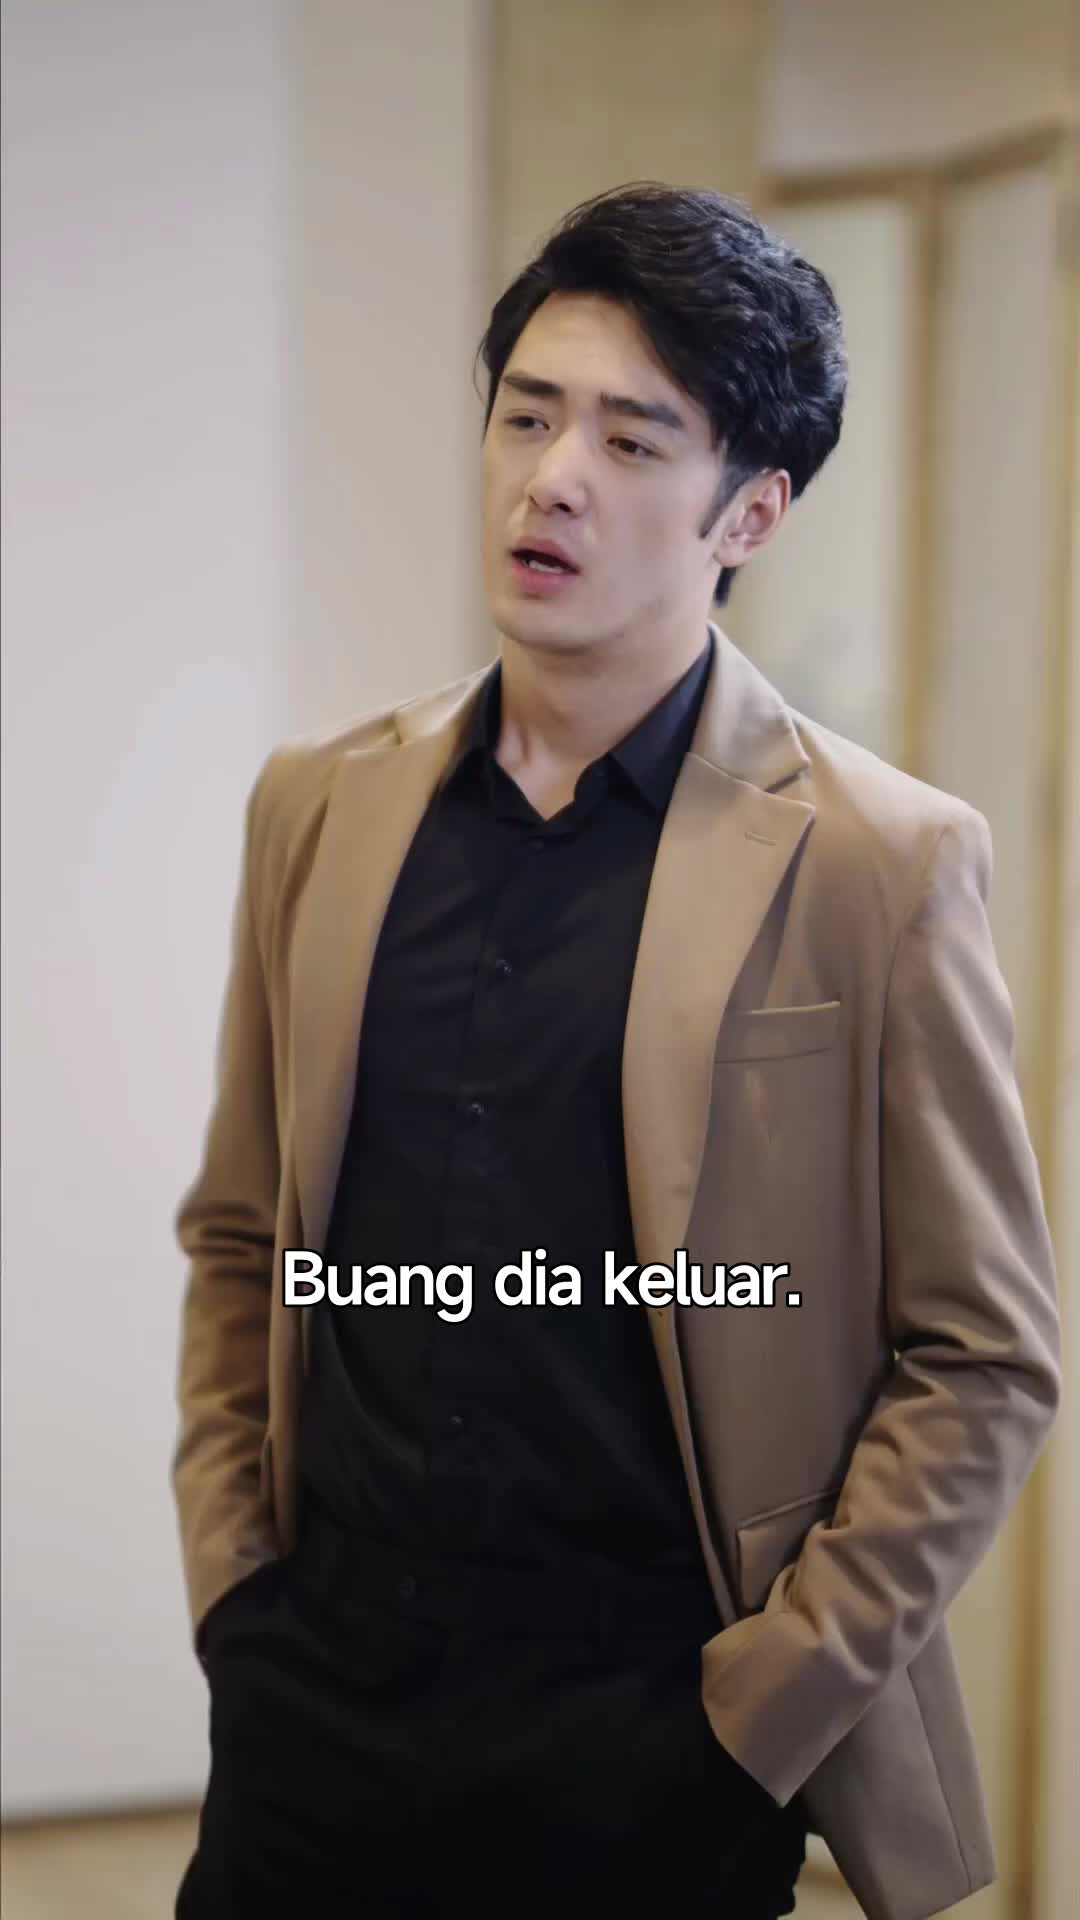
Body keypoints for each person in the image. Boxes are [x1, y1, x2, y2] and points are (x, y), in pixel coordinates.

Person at [171, 182, 1060, 1920]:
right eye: (527, 415)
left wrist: (759, 1714)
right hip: (316, 1708)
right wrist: (235, 1594)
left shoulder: (880, 862)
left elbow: (985, 1360)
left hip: (651, 1744)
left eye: (632, 439)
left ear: (753, 511)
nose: (553, 476)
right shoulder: (323, 808)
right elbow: (240, 1233)